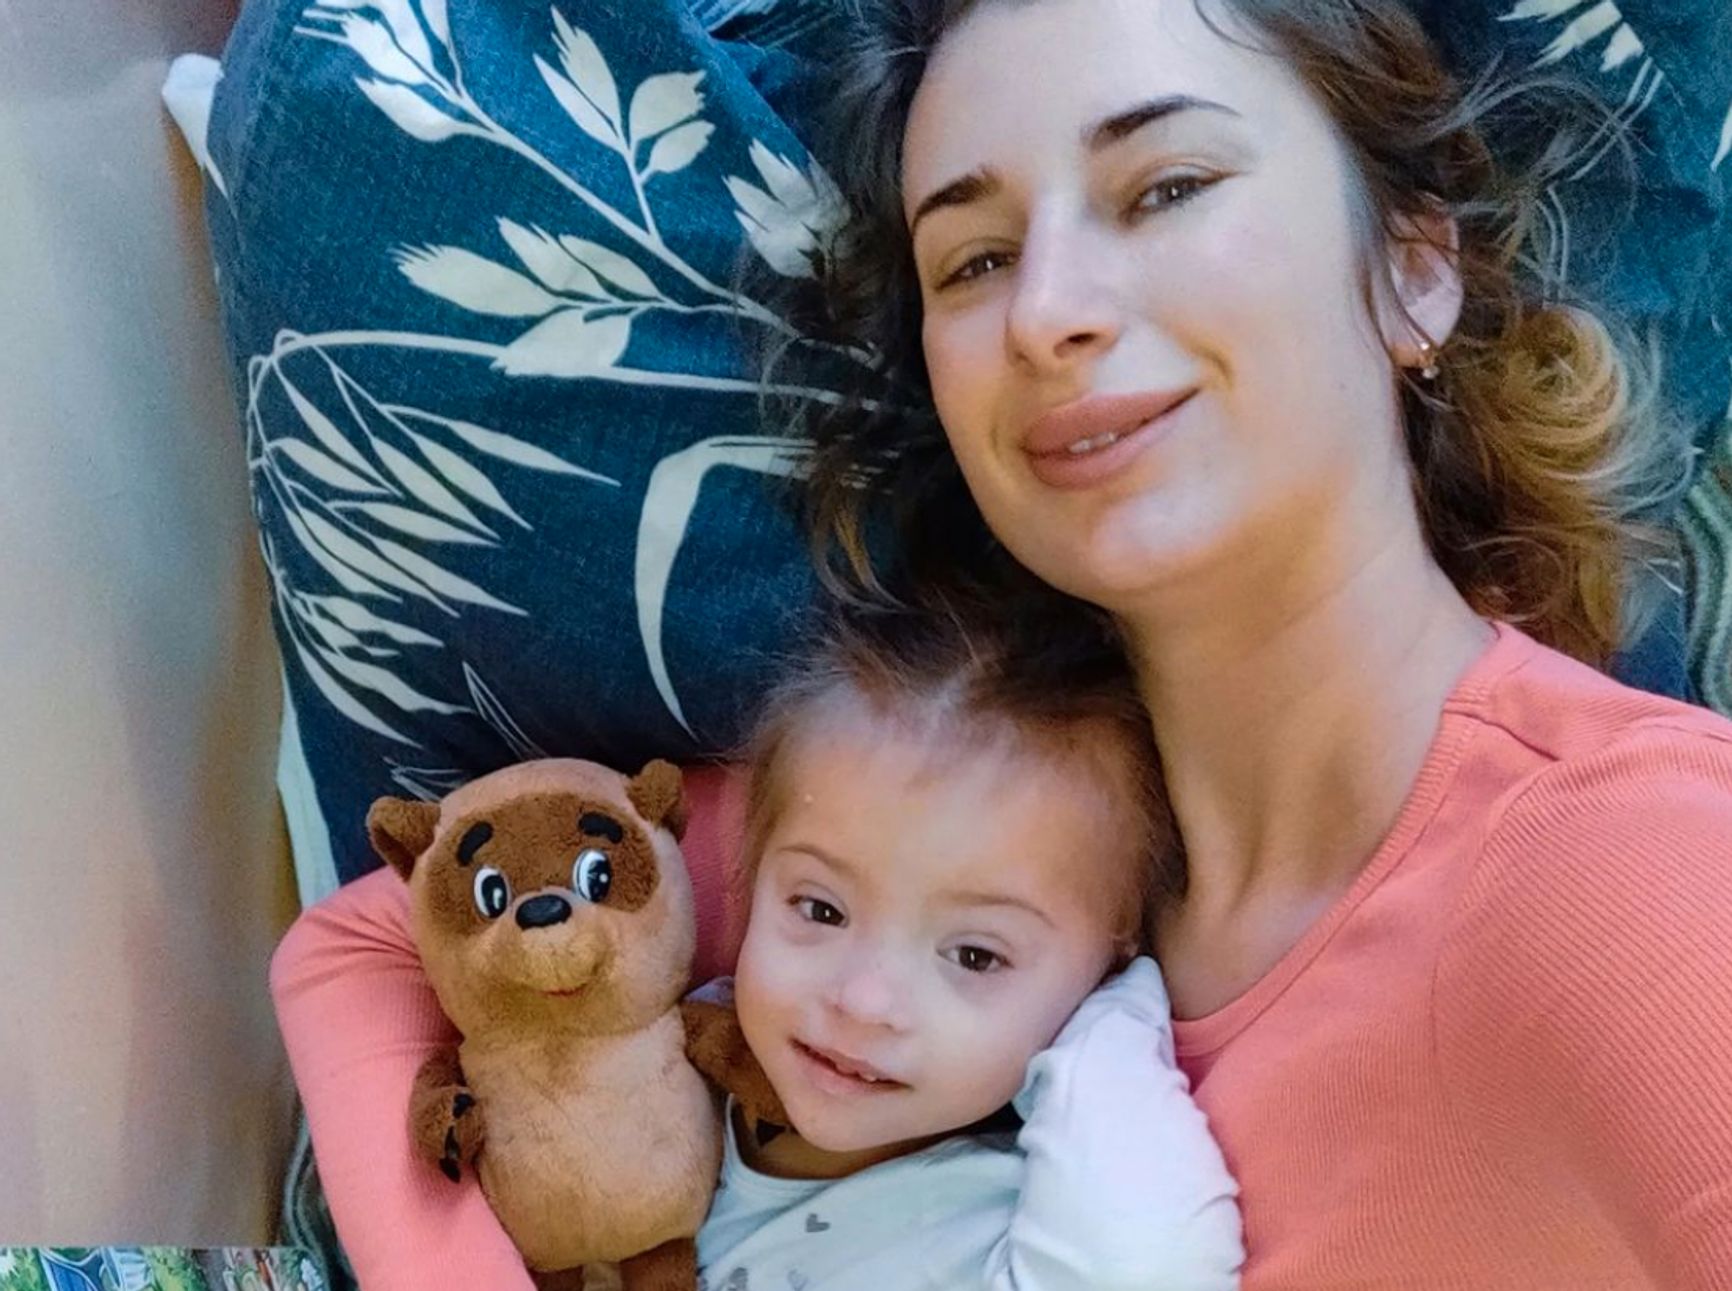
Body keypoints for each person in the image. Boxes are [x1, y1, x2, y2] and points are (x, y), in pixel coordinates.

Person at [273, 1, 1732, 1287]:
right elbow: (373, 940)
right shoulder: (933, 810)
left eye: (1165, 185)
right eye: (971, 260)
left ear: (1415, 264)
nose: (1046, 312)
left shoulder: (1628, 865)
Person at [696, 607, 1240, 1288]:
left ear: (1108, 961)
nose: (863, 1001)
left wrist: (1116, 1011)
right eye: (822, 909)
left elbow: (1150, 1269)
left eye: (976, 956)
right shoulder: (662, 1065)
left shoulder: (1011, 1215)